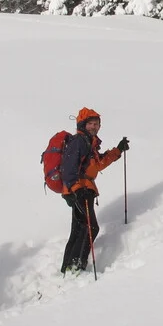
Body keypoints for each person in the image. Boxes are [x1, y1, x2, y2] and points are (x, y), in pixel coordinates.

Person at [60, 107, 128, 275]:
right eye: (90, 123)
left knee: (79, 228)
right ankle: (76, 266)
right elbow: (68, 168)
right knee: (90, 227)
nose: (94, 126)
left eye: (96, 124)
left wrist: (118, 150)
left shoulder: (89, 143)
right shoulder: (79, 141)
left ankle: (68, 267)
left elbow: (98, 165)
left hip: (83, 189)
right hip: (80, 189)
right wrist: (75, 190)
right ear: (83, 124)